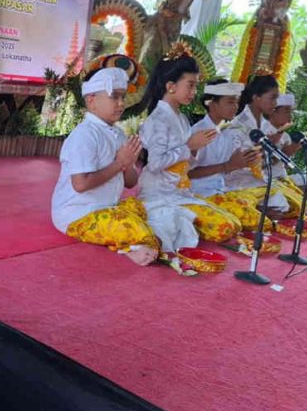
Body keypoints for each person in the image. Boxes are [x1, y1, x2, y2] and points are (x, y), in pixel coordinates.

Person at [131, 48, 241, 250]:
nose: (194, 92)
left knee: (234, 223)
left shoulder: (181, 118)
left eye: (195, 86)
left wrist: (193, 150)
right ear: (171, 86)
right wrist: (189, 146)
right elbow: (154, 164)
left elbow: (185, 164)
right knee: (224, 227)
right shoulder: (158, 120)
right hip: (158, 194)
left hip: (180, 192)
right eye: (190, 85)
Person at [50, 68, 160, 266]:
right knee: (133, 227)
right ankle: (130, 248)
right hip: (78, 214)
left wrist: (127, 164)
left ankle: (130, 241)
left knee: (143, 208)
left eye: (123, 97)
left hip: (108, 208)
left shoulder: (117, 134)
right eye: (114, 97)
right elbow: (81, 184)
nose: (121, 104)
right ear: (91, 101)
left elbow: (131, 183)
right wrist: (119, 163)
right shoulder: (85, 135)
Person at [187, 80, 269, 231]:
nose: (236, 107)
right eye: (230, 102)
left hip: (221, 190)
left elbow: (234, 164)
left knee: (261, 220)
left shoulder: (230, 132)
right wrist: (227, 166)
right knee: (229, 227)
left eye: (236, 102)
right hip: (196, 192)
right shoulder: (197, 133)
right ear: (211, 104)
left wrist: (250, 158)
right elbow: (188, 174)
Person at [227, 73, 300, 218]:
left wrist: (281, 150)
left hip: (260, 178)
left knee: (292, 206)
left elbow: (268, 162)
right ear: (256, 97)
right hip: (237, 179)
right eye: (272, 98)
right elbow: (239, 161)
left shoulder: (267, 126)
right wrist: (266, 146)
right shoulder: (238, 124)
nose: (275, 103)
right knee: (278, 209)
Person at [267, 93, 307, 205]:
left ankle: (297, 198)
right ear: (273, 111)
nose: (290, 116)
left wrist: (294, 148)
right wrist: (285, 153)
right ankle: (299, 199)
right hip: (266, 180)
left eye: (291, 111)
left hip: (283, 179)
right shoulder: (261, 132)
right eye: (287, 111)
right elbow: (263, 162)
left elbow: (285, 164)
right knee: (275, 194)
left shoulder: (286, 136)